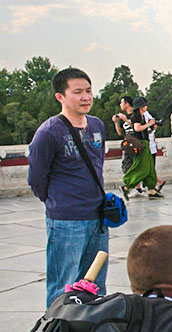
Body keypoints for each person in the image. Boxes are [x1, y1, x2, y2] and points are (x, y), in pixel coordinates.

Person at [27, 68, 109, 307]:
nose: (86, 97)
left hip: (98, 218)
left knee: (95, 285)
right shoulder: (49, 132)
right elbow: (37, 179)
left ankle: (93, 330)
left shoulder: (96, 126)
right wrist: (58, 202)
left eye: (89, 91)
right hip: (66, 221)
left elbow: (98, 165)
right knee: (63, 285)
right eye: (78, 92)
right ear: (60, 97)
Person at [121, 97, 163, 200]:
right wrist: (149, 124)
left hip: (145, 142)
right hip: (141, 144)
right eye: (144, 105)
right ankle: (127, 186)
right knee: (142, 168)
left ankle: (152, 190)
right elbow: (137, 128)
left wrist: (151, 126)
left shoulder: (142, 115)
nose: (146, 107)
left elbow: (144, 130)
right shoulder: (136, 116)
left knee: (149, 168)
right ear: (140, 107)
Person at [142, 99, 167, 192]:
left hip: (149, 146)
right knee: (149, 168)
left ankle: (156, 184)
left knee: (149, 168)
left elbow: (150, 130)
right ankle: (154, 185)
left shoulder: (146, 115)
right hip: (149, 145)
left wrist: (151, 126)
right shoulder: (145, 115)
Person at [112, 95, 135, 175]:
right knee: (127, 164)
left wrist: (125, 119)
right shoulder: (123, 117)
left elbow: (136, 127)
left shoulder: (136, 114)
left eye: (122, 102)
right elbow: (120, 133)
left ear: (127, 104)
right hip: (128, 143)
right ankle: (134, 184)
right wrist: (116, 122)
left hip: (137, 142)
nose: (120, 105)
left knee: (137, 164)